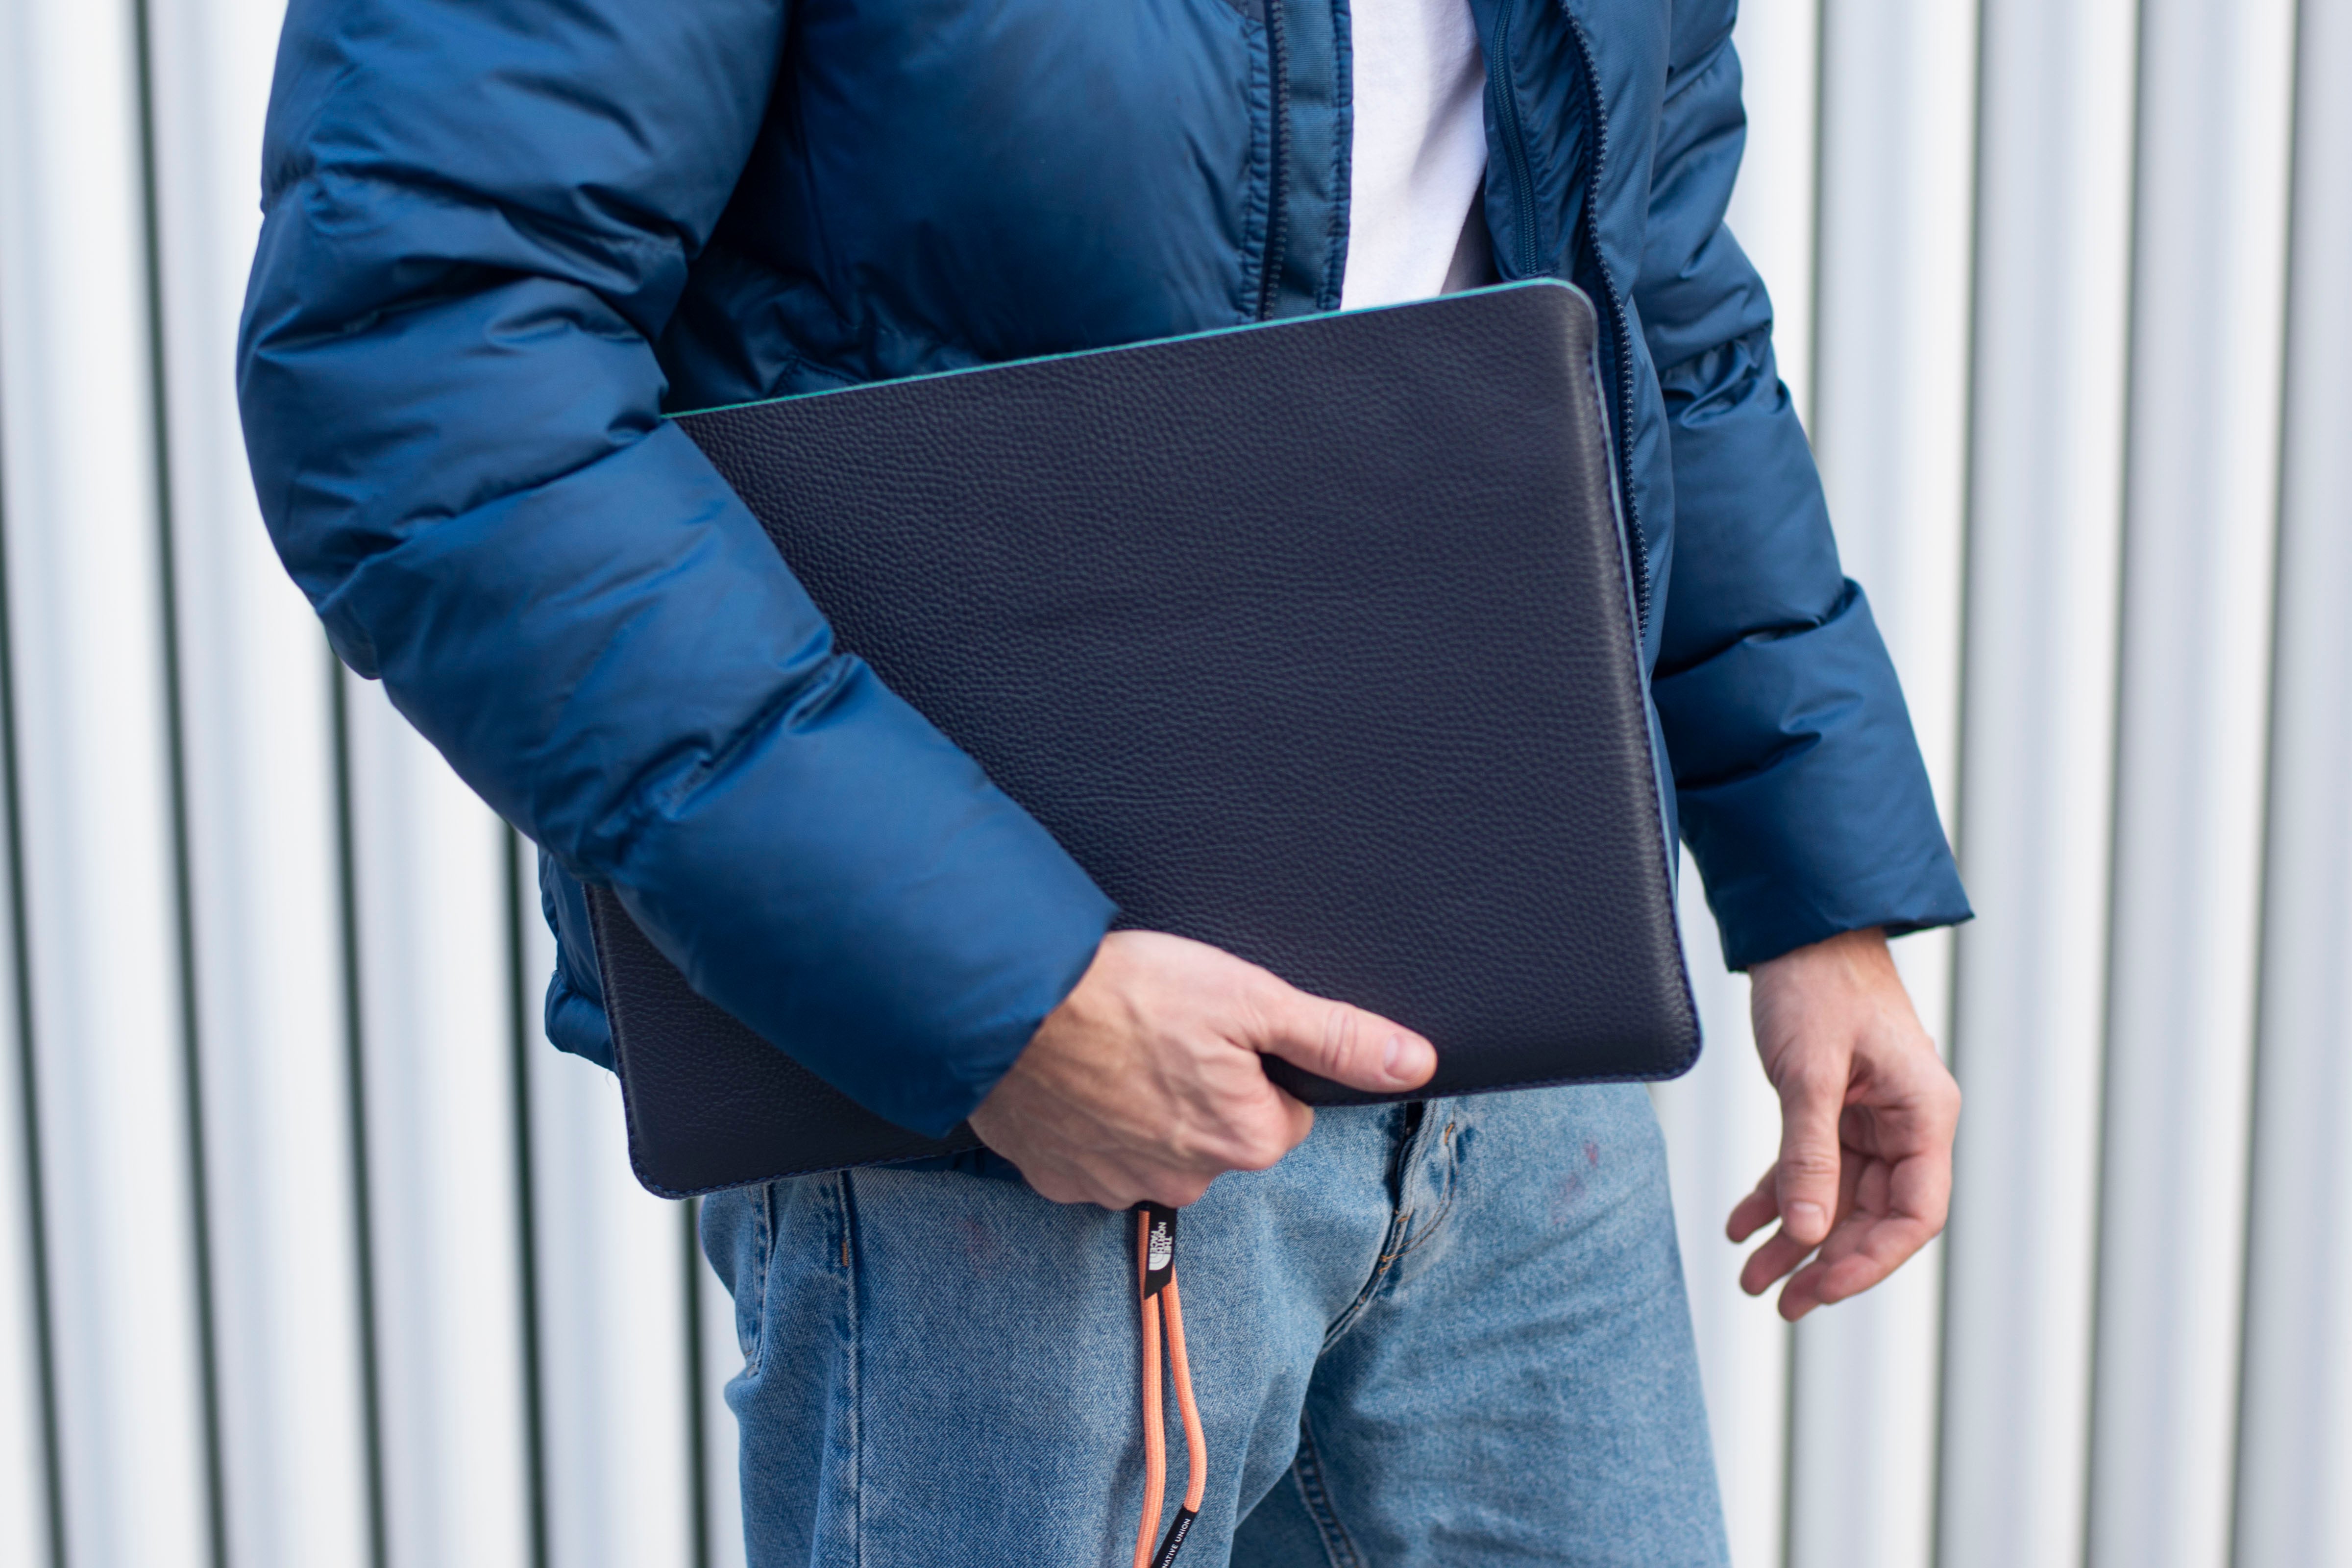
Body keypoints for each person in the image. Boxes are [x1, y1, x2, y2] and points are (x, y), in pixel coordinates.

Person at [238, 0, 1970, 1560]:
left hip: (1516, 1042)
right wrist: (1002, 993)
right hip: (1009, 1130)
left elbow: (1654, 291)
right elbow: (427, 369)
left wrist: (1819, 891)